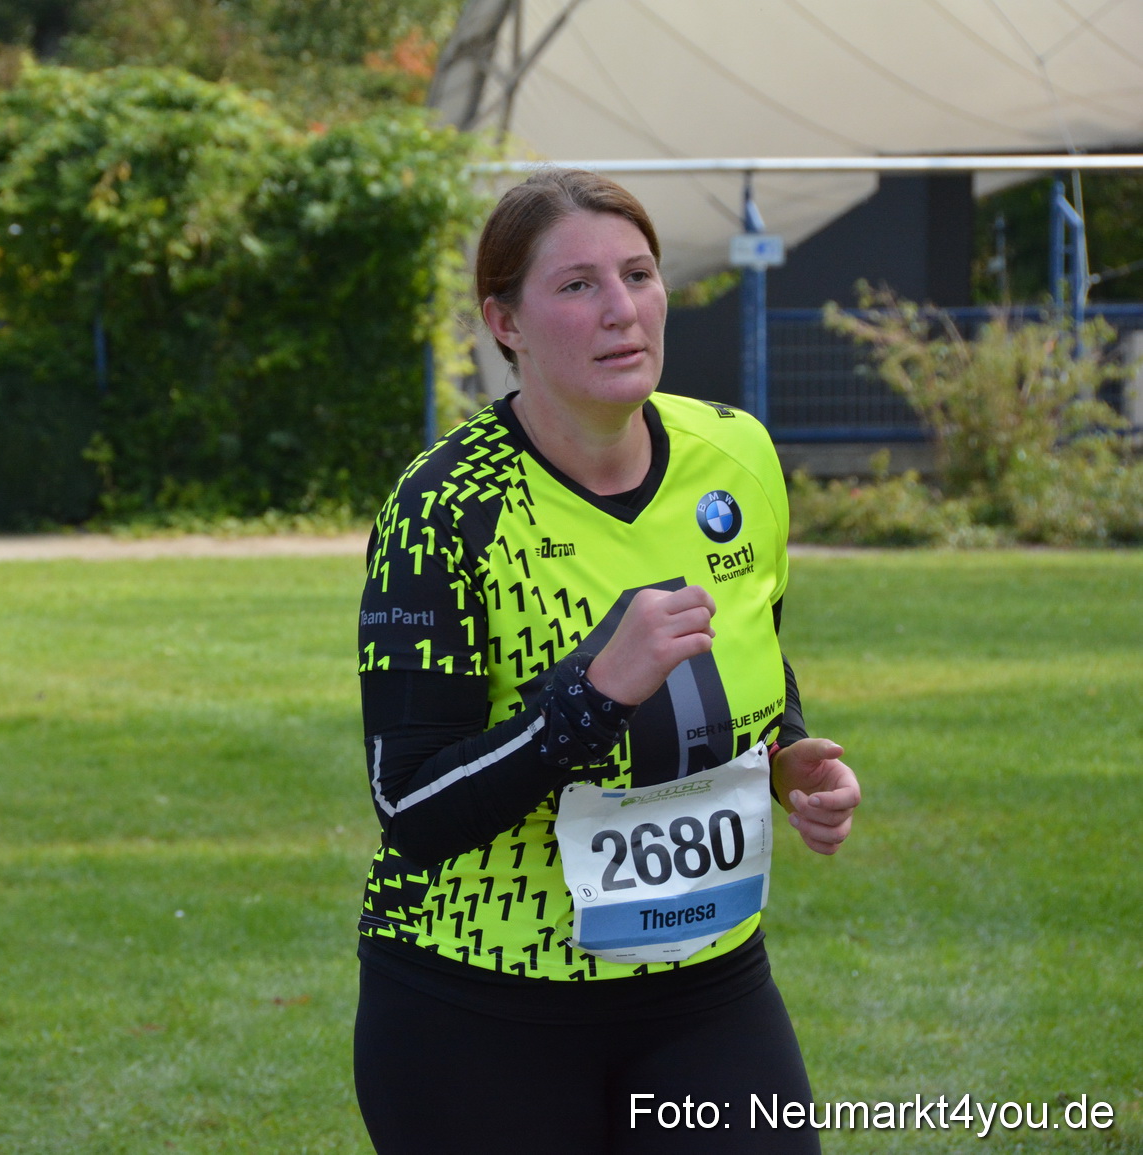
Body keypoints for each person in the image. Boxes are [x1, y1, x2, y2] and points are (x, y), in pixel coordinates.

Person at [351, 169, 862, 1155]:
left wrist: (787, 754)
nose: (621, 309)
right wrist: (585, 700)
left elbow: (755, 648)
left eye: (638, 273)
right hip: (481, 1007)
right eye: (577, 285)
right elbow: (409, 807)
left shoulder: (737, 458)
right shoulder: (445, 510)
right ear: (505, 322)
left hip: (708, 988)